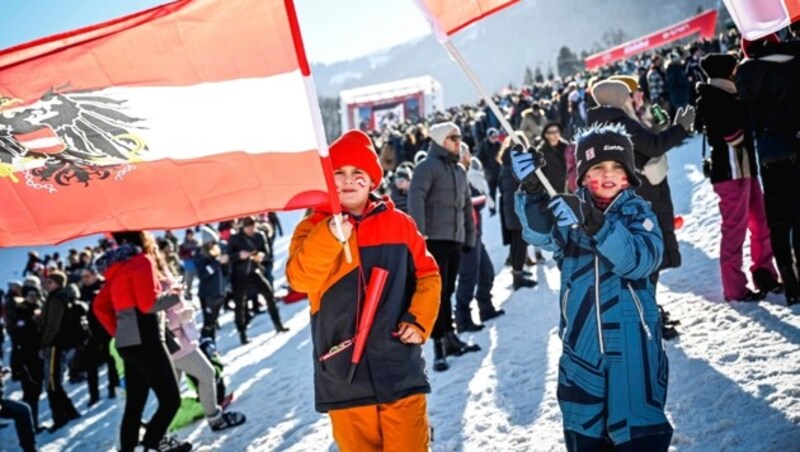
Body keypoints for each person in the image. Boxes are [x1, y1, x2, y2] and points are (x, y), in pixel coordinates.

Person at [514, 124, 671, 451]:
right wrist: (531, 190)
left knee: (638, 431)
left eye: (617, 167)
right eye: (598, 167)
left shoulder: (640, 215)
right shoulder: (567, 216)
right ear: (584, 176)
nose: (608, 174)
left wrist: (595, 223)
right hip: (581, 348)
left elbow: (639, 260)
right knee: (584, 430)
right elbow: (539, 233)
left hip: (633, 349)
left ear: (629, 174)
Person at [286, 130, 442, 452]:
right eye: (339, 173)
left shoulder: (400, 224)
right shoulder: (312, 227)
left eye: (358, 173)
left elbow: (428, 274)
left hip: (399, 365)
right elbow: (300, 279)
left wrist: (419, 320)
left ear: (372, 180)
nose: (347, 181)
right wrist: (329, 236)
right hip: (344, 376)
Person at [587, 79, 693, 340]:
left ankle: (649, 312)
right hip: (644, 196)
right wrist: (681, 128)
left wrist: (658, 130)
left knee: (640, 262)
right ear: (617, 98)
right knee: (649, 259)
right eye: (627, 96)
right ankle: (647, 318)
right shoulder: (622, 123)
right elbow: (653, 147)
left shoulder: (599, 126)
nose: (631, 100)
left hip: (625, 200)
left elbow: (644, 146)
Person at [694, 53, 781, 302]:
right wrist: (748, 120)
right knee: (734, 231)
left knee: (761, 224)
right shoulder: (713, 98)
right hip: (730, 174)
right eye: (735, 68)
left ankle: (764, 273)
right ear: (727, 72)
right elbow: (731, 136)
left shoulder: (732, 94)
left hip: (746, 170)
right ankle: (734, 288)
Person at [93, 231, 190, 452]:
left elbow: (99, 305)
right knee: (171, 401)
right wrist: (175, 295)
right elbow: (148, 304)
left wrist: (118, 331)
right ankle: (150, 445)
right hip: (147, 339)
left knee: (134, 405)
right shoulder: (141, 261)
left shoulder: (117, 269)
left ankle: (133, 448)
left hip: (127, 345)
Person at [407, 121, 479, 372]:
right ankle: (438, 345)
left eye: (459, 137)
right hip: (433, 239)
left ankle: (450, 337)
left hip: (455, 239)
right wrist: (419, 236)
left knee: (447, 290)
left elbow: (466, 207)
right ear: (439, 140)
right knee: (436, 293)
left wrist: (469, 236)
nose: (458, 141)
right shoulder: (427, 167)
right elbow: (415, 199)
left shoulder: (459, 170)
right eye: (452, 137)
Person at [736, 35, 800, 306]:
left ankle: (790, 283)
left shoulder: (745, 75)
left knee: (778, 221)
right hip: (795, 144)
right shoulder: (791, 62)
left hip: (767, 153)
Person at [455, 142, 504, 333]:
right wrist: (482, 197)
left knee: (487, 272)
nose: (469, 155)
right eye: (465, 152)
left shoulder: (470, 173)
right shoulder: (456, 175)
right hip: (463, 235)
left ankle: (486, 307)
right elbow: (468, 201)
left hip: (475, 232)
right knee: (468, 277)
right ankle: (462, 319)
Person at [227, 217, 288, 345]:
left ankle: (278, 324)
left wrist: (261, 256)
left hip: (255, 271)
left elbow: (267, 252)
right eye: (247, 227)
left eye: (252, 226)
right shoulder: (235, 239)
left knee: (269, 295)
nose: (250, 229)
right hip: (239, 275)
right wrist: (238, 255)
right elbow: (227, 257)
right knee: (240, 305)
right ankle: (242, 334)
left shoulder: (259, 235)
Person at [38, 271, 81, 432]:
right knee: (54, 382)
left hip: (54, 345)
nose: (45, 285)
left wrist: (44, 343)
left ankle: (59, 418)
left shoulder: (56, 299)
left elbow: (53, 325)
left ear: (57, 283)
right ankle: (70, 412)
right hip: (56, 344)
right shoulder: (57, 297)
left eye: (49, 282)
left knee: (51, 383)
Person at [498, 133, 538, 291]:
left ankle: (517, 271)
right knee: (520, 243)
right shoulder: (520, 162)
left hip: (509, 206)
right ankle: (518, 276)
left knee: (516, 242)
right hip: (519, 206)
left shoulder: (506, 161)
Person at [79, 267, 119, 407]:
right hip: (93, 334)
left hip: (107, 330)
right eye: (83, 277)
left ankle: (113, 387)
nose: (85, 279)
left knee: (112, 361)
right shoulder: (83, 292)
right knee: (91, 365)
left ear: (95, 275)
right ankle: (94, 395)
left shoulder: (104, 286)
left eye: (88, 276)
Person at [193, 227, 229, 342]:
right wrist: (218, 263)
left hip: (218, 293)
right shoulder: (200, 255)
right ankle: (205, 344)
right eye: (213, 243)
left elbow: (224, 273)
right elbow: (203, 274)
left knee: (213, 323)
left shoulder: (217, 253)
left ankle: (211, 346)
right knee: (208, 323)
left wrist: (225, 264)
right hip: (207, 294)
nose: (215, 245)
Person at [178, 229, 199, 301]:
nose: (191, 236)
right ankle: (187, 296)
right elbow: (181, 256)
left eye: (192, 235)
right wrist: (189, 255)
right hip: (188, 266)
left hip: (197, 265)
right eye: (189, 235)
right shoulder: (183, 245)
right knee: (188, 283)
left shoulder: (196, 243)